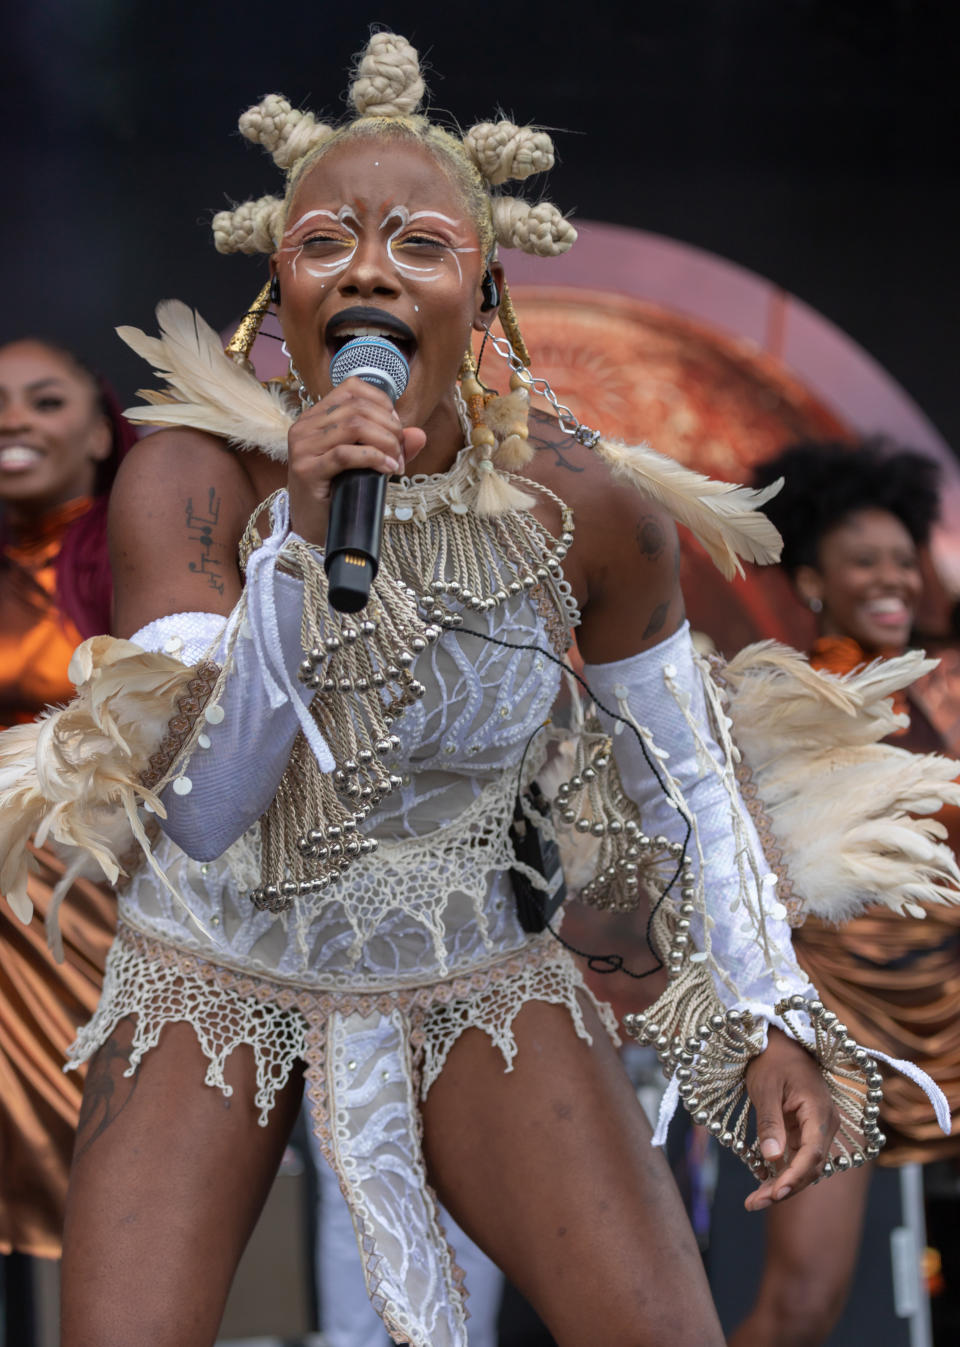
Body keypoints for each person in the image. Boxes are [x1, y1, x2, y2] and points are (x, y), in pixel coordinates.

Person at [0, 35, 952, 1347]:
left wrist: (767, 1006)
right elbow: (208, 807)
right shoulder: (194, 476)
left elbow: (689, 773)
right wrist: (297, 550)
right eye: (327, 240)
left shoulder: (593, 505)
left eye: (419, 245)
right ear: (278, 293)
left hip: (467, 964)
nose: (372, 269)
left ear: (485, 292)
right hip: (212, 953)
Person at [726, 439, 960, 1347]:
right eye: (866, 561)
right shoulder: (790, 696)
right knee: (802, 1304)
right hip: (840, 1028)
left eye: (905, 559)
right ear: (816, 577)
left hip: (949, 1002)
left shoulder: (946, 682)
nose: (892, 578)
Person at [0, 341, 131, 1301]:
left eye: (45, 402)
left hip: (91, 895)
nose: (14, 421)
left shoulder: (150, 550)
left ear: (98, 431)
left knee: (104, 1161)